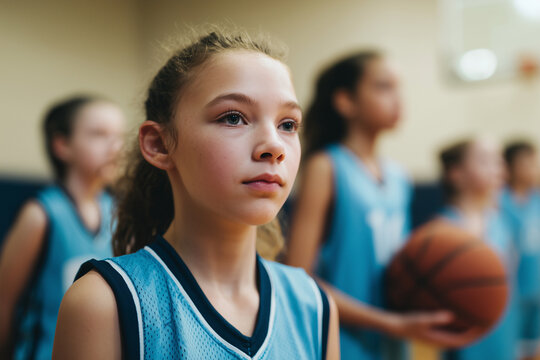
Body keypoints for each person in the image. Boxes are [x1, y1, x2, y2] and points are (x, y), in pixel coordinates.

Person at [52, 31, 340, 359]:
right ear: (159, 144)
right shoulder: (104, 302)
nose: (274, 145)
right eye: (233, 117)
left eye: (288, 124)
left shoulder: (315, 307)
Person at [286, 51, 472, 360]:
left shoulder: (399, 177)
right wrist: (392, 323)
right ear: (345, 101)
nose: (398, 98)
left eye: (398, 87)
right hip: (343, 343)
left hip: (396, 342)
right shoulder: (327, 166)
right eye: (384, 87)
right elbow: (299, 278)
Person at [0, 96, 125, 359]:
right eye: (99, 134)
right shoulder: (41, 215)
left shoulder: (119, 213)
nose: (116, 147)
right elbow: (4, 303)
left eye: (119, 136)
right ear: (62, 145)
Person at [439, 137, 519, 360]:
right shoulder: (441, 233)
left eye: (500, 162)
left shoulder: (502, 222)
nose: (499, 169)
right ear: (456, 173)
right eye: (486, 161)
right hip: (465, 347)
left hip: (505, 342)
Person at [500, 141, 540, 360]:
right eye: (526, 164)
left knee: (533, 350)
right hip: (511, 294)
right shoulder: (498, 202)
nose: (533, 169)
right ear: (509, 167)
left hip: (536, 291)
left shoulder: (537, 200)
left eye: (535, 163)